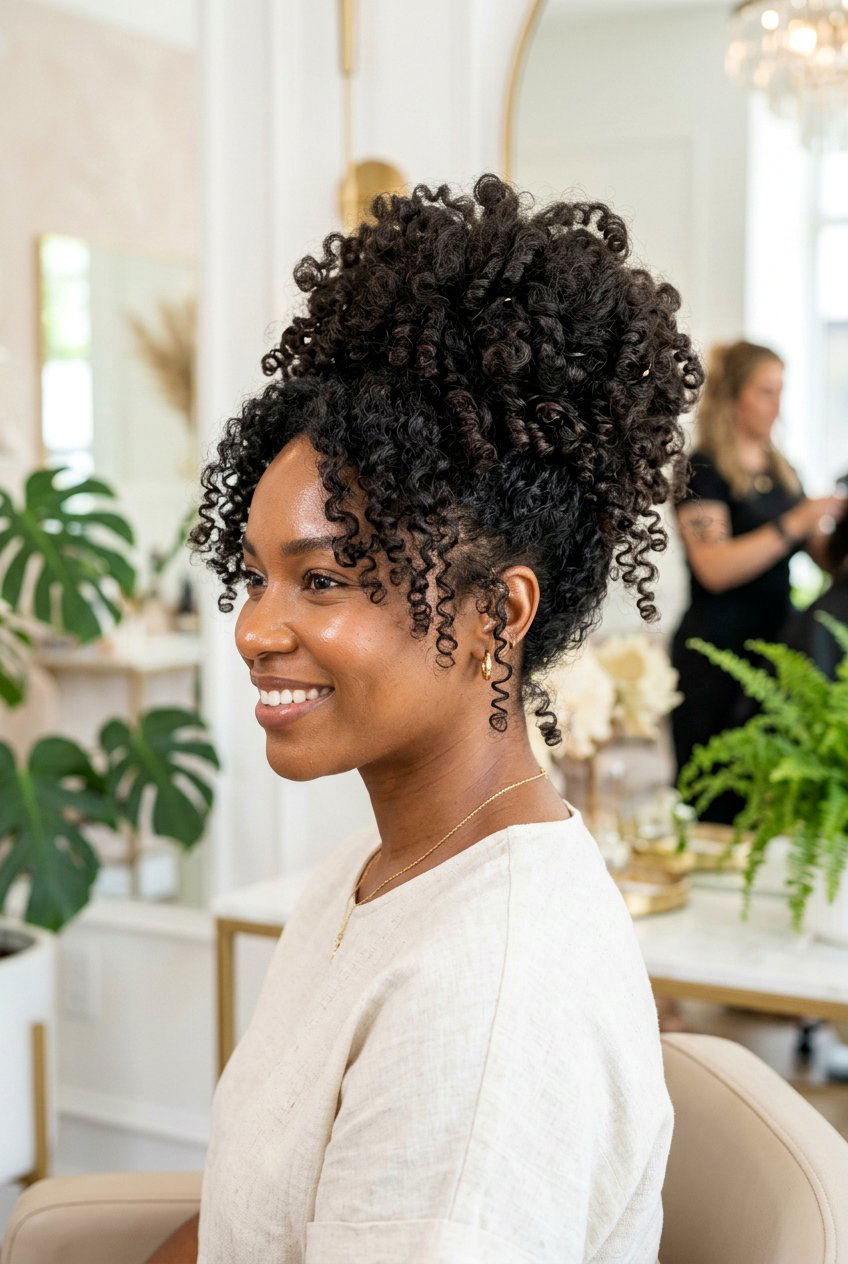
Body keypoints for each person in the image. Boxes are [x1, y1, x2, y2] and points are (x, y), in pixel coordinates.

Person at [150, 175, 704, 1264]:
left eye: (319, 582)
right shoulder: (377, 866)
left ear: (499, 612)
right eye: (254, 576)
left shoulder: (490, 1005)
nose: (254, 630)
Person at [671, 341, 847, 823]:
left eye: (780, 392)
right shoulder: (701, 471)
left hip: (777, 653)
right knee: (716, 806)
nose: (777, 406)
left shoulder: (782, 469)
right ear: (733, 396)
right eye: (766, 392)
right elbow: (715, 567)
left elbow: (825, 559)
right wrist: (797, 520)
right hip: (715, 657)